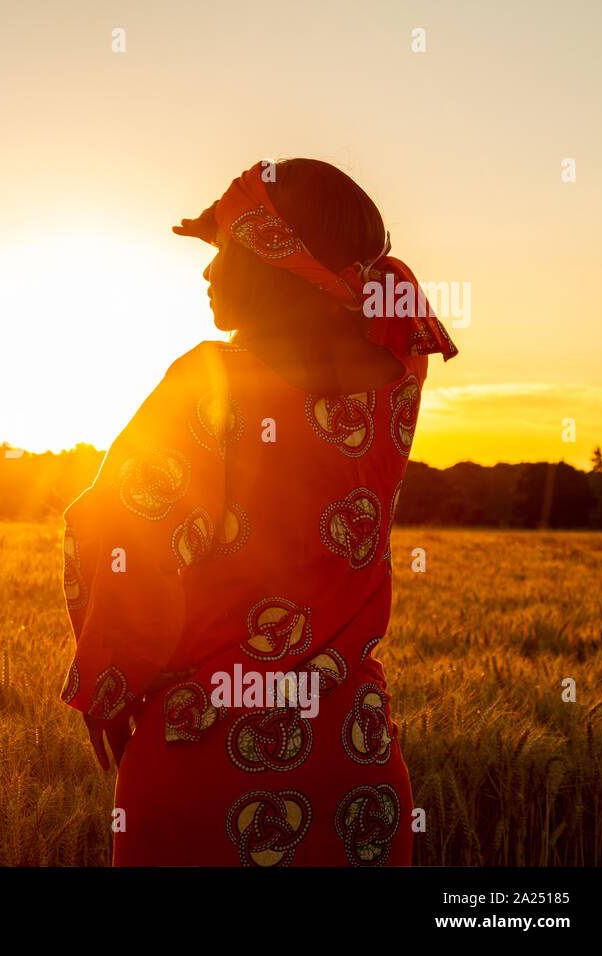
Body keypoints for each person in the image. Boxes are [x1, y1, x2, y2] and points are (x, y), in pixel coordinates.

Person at [58, 158, 458, 866]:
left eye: (229, 254)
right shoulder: (400, 375)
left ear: (284, 266)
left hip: (204, 760)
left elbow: (121, 535)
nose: (208, 274)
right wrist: (248, 232)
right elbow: (367, 297)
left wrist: (108, 686)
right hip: (358, 765)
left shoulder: (207, 384)